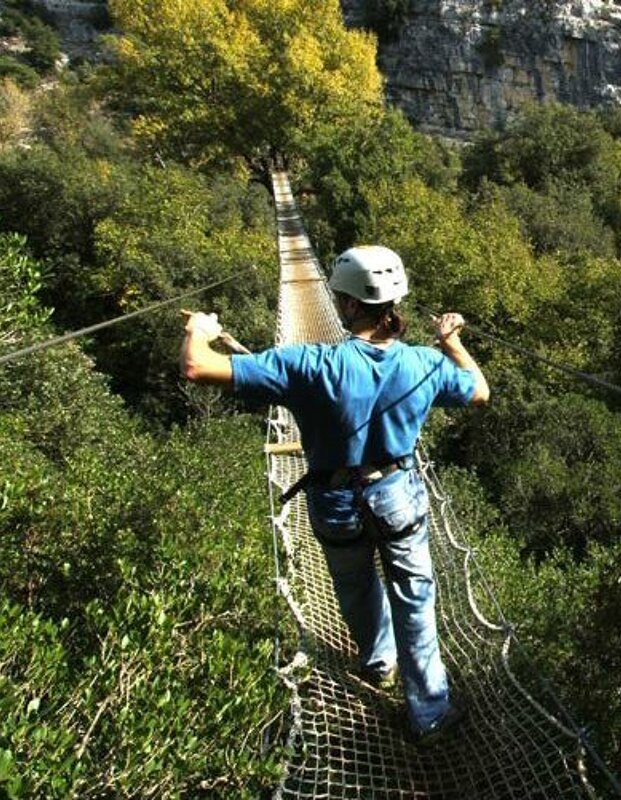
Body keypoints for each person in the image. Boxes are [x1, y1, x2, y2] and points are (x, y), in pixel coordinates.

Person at [180, 244, 489, 744]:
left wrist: (201, 331)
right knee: (415, 598)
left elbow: (197, 367)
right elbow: (479, 391)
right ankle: (430, 713)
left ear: (346, 305)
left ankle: (378, 662)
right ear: (394, 301)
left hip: (334, 499)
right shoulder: (423, 364)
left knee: (356, 586)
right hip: (398, 495)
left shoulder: (307, 364)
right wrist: (450, 341)